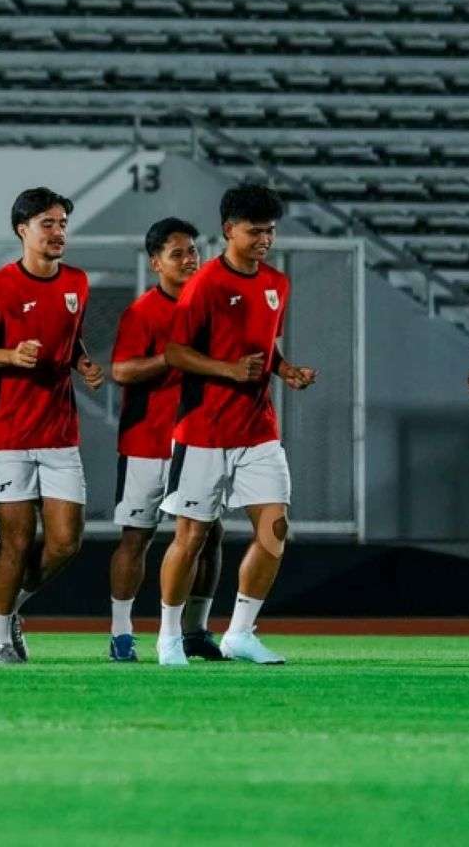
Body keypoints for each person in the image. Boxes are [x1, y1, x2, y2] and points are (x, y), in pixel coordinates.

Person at [157, 183, 316, 667]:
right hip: (203, 431)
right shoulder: (205, 283)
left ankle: (241, 633)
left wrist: (285, 369)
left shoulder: (277, 283)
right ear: (229, 230)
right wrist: (228, 370)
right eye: (255, 231)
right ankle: (168, 637)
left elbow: (266, 347)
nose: (265, 239)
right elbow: (175, 352)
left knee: (275, 529)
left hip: (258, 429)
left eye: (270, 231)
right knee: (191, 537)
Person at [0, 186, 104, 665]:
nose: (58, 233)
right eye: (47, 224)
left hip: (59, 433)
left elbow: (70, 337)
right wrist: (9, 356)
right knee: (16, 540)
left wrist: (81, 361)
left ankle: (5, 605)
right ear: (22, 230)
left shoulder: (77, 281)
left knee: (65, 542)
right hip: (8, 435)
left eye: (62, 224)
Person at [105, 218, 226, 663]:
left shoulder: (212, 308)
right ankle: (121, 632)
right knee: (136, 537)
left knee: (208, 536)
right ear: (156, 262)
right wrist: (171, 359)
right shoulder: (142, 312)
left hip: (200, 441)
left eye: (193, 251)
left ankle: (194, 630)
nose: (189, 259)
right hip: (148, 442)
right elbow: (121, 370)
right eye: (178, 254)